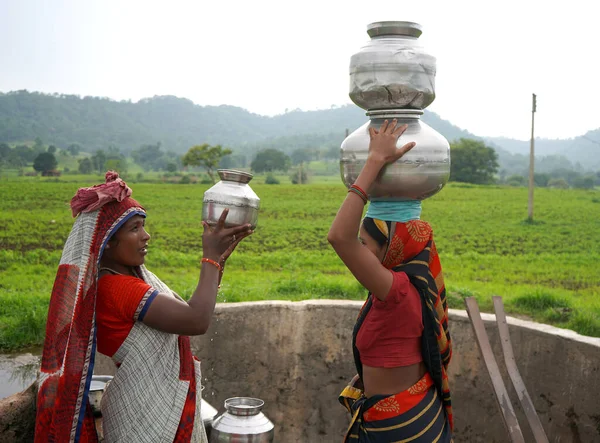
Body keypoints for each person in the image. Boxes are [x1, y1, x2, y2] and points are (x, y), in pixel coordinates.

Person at [35, 171, 252, 443]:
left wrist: (217, 259)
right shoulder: (117, 289)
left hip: (149, 407)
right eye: (134, 228)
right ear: (107, 241)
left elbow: (191, 311)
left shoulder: (126, 281)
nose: (146, 236)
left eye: (144, 226)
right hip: (143, 417)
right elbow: (196, 320)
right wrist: (210, 258)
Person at [328, 119, 453, 442]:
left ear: (392, 247)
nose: (361, 252)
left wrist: (374, 162)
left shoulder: (396, 290)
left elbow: (339, 237)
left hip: (400, 428)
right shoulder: (407, 282)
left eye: (366, 245)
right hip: (411, 414)